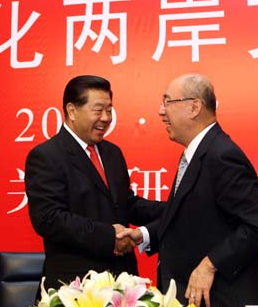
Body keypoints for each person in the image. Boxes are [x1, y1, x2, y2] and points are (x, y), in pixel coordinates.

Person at [117, 73, 258, 307]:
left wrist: (210, 264)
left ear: (194, 107)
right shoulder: (197, 153)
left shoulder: (222, 155)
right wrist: (145, 235)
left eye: (167, 102)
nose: (160, 111)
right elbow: (194, 218)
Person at [25, 75, 163, 291]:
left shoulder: (112, 153)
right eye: (98, 110)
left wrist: (174, 208)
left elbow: (126, 204)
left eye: (109, 110)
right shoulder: (47, 155)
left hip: (123, 283)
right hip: (74, 289)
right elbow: (49, 218)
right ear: (72, 111)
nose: (106, 118)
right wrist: (109, 237)